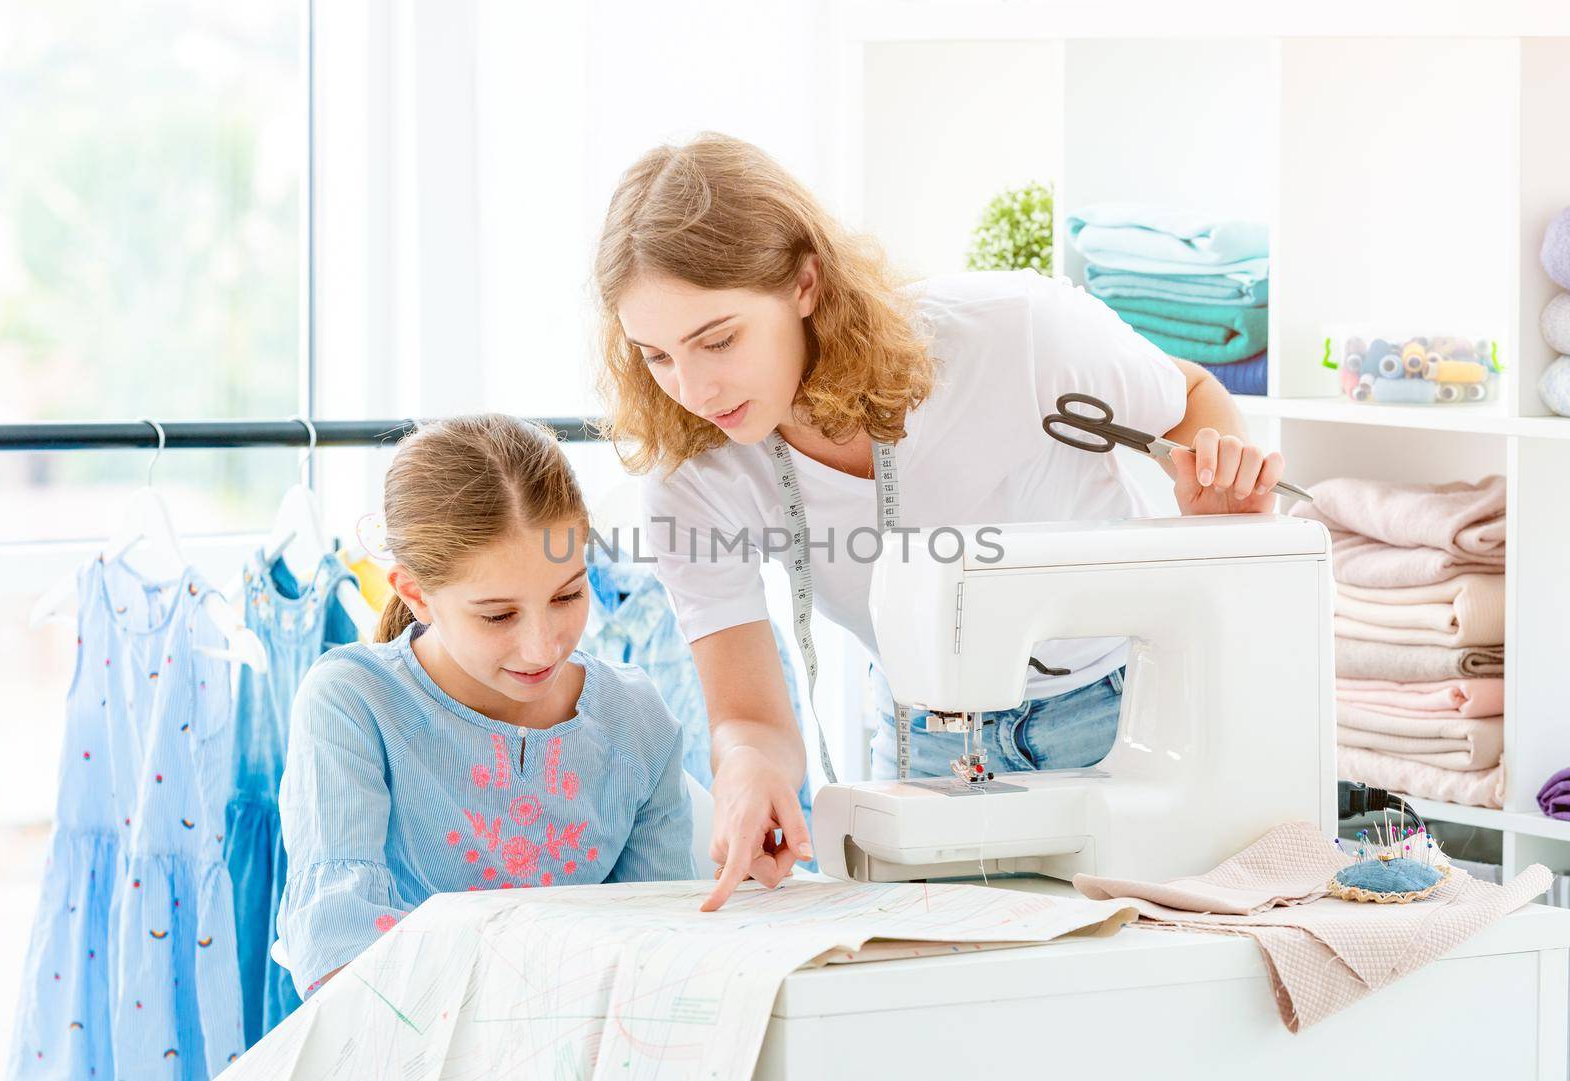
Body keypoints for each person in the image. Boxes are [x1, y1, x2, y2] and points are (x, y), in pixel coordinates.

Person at [593, 133, 1286, 911]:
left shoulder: (1016, 336)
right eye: (655, 356)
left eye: (717, 339)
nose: (693, 388)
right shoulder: (691, 473)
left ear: (805, 283)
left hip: (1121, 714)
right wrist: (749, 769)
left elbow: (1185, 395)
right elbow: (749, 717)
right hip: (928, 737)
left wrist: (1213, 498)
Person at [277, 415, 695, 996]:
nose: (542, 646)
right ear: (415, 594)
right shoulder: (355, 702)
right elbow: (337, 952)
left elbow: (665, 944)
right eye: (498, 615)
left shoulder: (636, 721)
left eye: (568, 595)